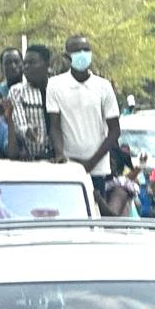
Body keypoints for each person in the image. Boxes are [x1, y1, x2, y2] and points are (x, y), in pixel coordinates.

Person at [46, 33, 120, 199]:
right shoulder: (55, 85)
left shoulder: (103, 86)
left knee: (95, 213)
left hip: (98, 167)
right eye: (77, 51)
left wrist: (91, 163)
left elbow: (115, 131)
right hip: (69, 167)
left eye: (86, 50)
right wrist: (60, 154)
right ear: (67, 57)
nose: (83, 54)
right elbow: (55, 126)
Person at [7, 43, 53, 160]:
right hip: (31, 160)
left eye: (32, 63)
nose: (26, 67)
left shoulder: (59, 88)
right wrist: (27, 131)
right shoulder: (17, 91)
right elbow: (18, 122)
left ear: (46, 64)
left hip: (60, 158)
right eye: (25, 63)